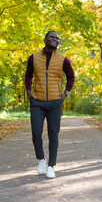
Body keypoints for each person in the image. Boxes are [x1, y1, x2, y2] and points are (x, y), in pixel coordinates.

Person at [25, 31, 75, 178]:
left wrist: (65, 93)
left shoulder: (63, 59)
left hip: (55, 102)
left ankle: (51, 166)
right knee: (36, 132)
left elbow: (71, 77)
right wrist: (29, 92)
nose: (55, 40)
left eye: (57, 39)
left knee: (53, 133)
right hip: (37, 101)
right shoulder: (33, 57)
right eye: (52, 37)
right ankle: (41, 159)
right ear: (45, 39)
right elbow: (28, 76)